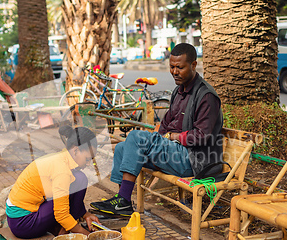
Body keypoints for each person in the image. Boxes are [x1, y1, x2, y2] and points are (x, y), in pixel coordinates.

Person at [90, 43, 223, 216]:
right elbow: (166, 124)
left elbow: (202, 136)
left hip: (194, 160)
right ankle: (121, 199)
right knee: (125, 147)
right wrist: (155, 141)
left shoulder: (206, 96)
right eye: (172, 67)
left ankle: (123, 201)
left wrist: (172, 137)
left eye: (180, 67)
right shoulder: (178, 91)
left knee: (136, 137)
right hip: (175, 153)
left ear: (194, 65)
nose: (175, 72)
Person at [6, 126, 101, 239]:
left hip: (20, 217)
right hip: (23, 224)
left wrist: (86, 214)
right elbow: (61, 214)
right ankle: (64, 232)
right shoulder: (62, 171)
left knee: (79, 178)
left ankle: (65, 227)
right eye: (87, 159)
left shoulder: (61, 158)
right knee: (72, 190)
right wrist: (88, 236)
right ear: (75, 150)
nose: (89, 164)